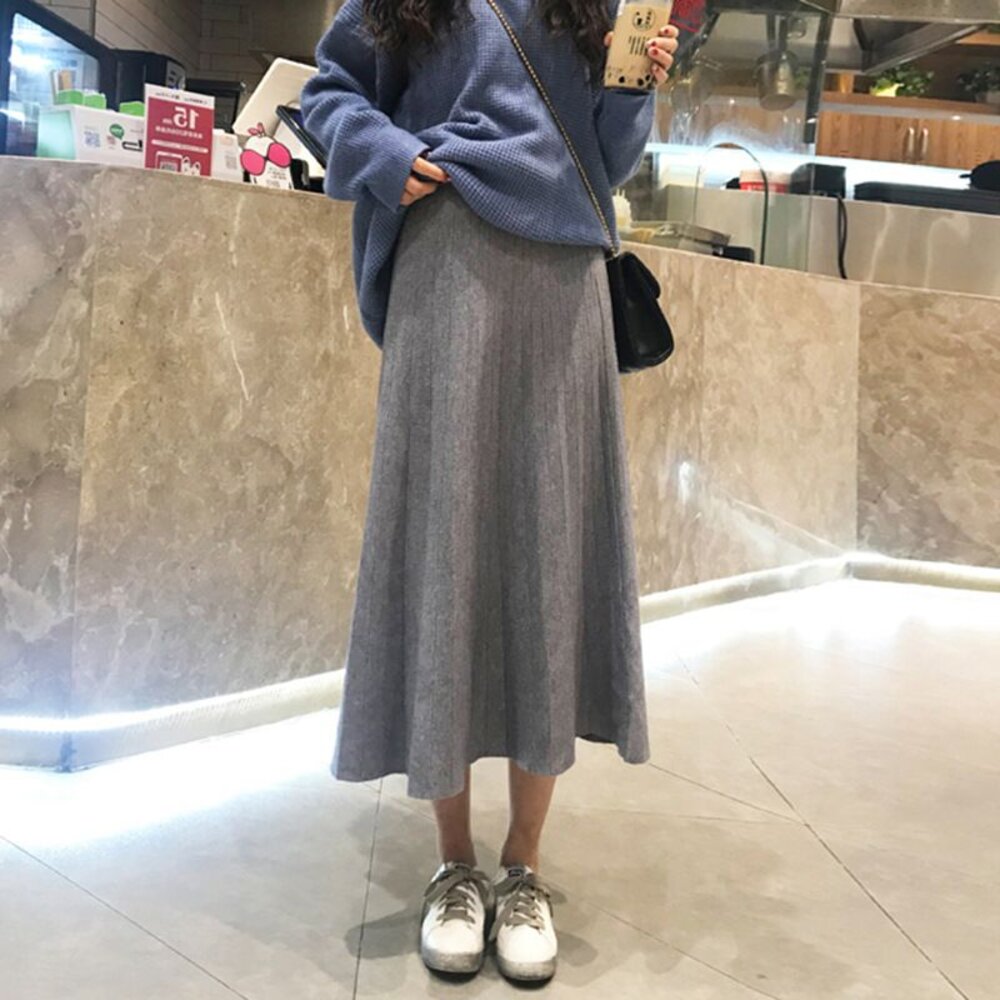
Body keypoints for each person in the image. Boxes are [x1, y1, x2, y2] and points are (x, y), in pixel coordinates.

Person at [300, 0, 677, 983]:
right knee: (448, 543)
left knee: (550, 549)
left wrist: (635, 83)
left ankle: (524, 865)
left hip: (563, 282)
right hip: (447, 258)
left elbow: (607, 160)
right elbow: (330, 91)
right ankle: (453, 865)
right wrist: (385, 154)